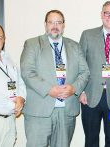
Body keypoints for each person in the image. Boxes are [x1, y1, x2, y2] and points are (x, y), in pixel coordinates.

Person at [20, 10, 90, 147]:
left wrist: (74, 88)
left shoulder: (74, 46)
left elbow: (85, 72)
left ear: (63, 25)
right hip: (39, 111)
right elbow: (27, 72)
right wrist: (48, 89)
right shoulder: (32, 44)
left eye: (59, 22)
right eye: (51, 22)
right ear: (45, 25)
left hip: (66, 111)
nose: (55, 26)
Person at [79, 1, 110, 147]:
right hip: (90, 96)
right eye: (107, 13)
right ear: (101, 14)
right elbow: (79, 64)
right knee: (91, 139)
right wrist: (80, 91)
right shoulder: (87, 35)